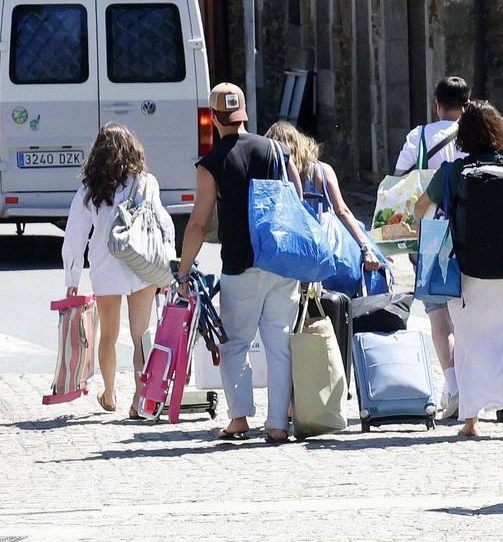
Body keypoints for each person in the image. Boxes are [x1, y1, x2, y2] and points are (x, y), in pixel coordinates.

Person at [177, 83, 304, 445]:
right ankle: (278, 424)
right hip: (280, 261)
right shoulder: (278, 150)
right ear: (244, 114)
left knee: (235, 343)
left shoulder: (211, 163)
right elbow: (295, 199)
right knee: (279, 343)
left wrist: (184, 271)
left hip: (240, 263)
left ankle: (239, 418)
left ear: (213, 118)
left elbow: (199, 223)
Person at [414, 100, 503, 438]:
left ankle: (471, 421)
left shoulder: (452, 172)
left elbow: (421, 209)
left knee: (468, 340)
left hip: (467, 268)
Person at [61, 123, 169, 417]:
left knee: (107, 334)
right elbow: (161, 224)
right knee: (140, 335)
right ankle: (139, 398)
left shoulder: (90, 188)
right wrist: (167, 269)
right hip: (141, 264)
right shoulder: (147, 182)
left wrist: (72, 277)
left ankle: (109, 394)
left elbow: (75, 235)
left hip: (106, 264)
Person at [394, 76, 470, 420]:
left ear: (436, 103)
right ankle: (470, 387)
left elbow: (399, 181)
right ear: (466, 104)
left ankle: (454, 386)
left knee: (439, 316)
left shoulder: (419, 137)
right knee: (468, 312)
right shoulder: (476, 136)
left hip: (432, 234)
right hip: (469, 232)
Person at [264, 121, 381, 276]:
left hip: (288, 254)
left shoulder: (271, 176)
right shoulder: (321, 171)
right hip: (324, 251)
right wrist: (367, 248)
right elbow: (342, 211)